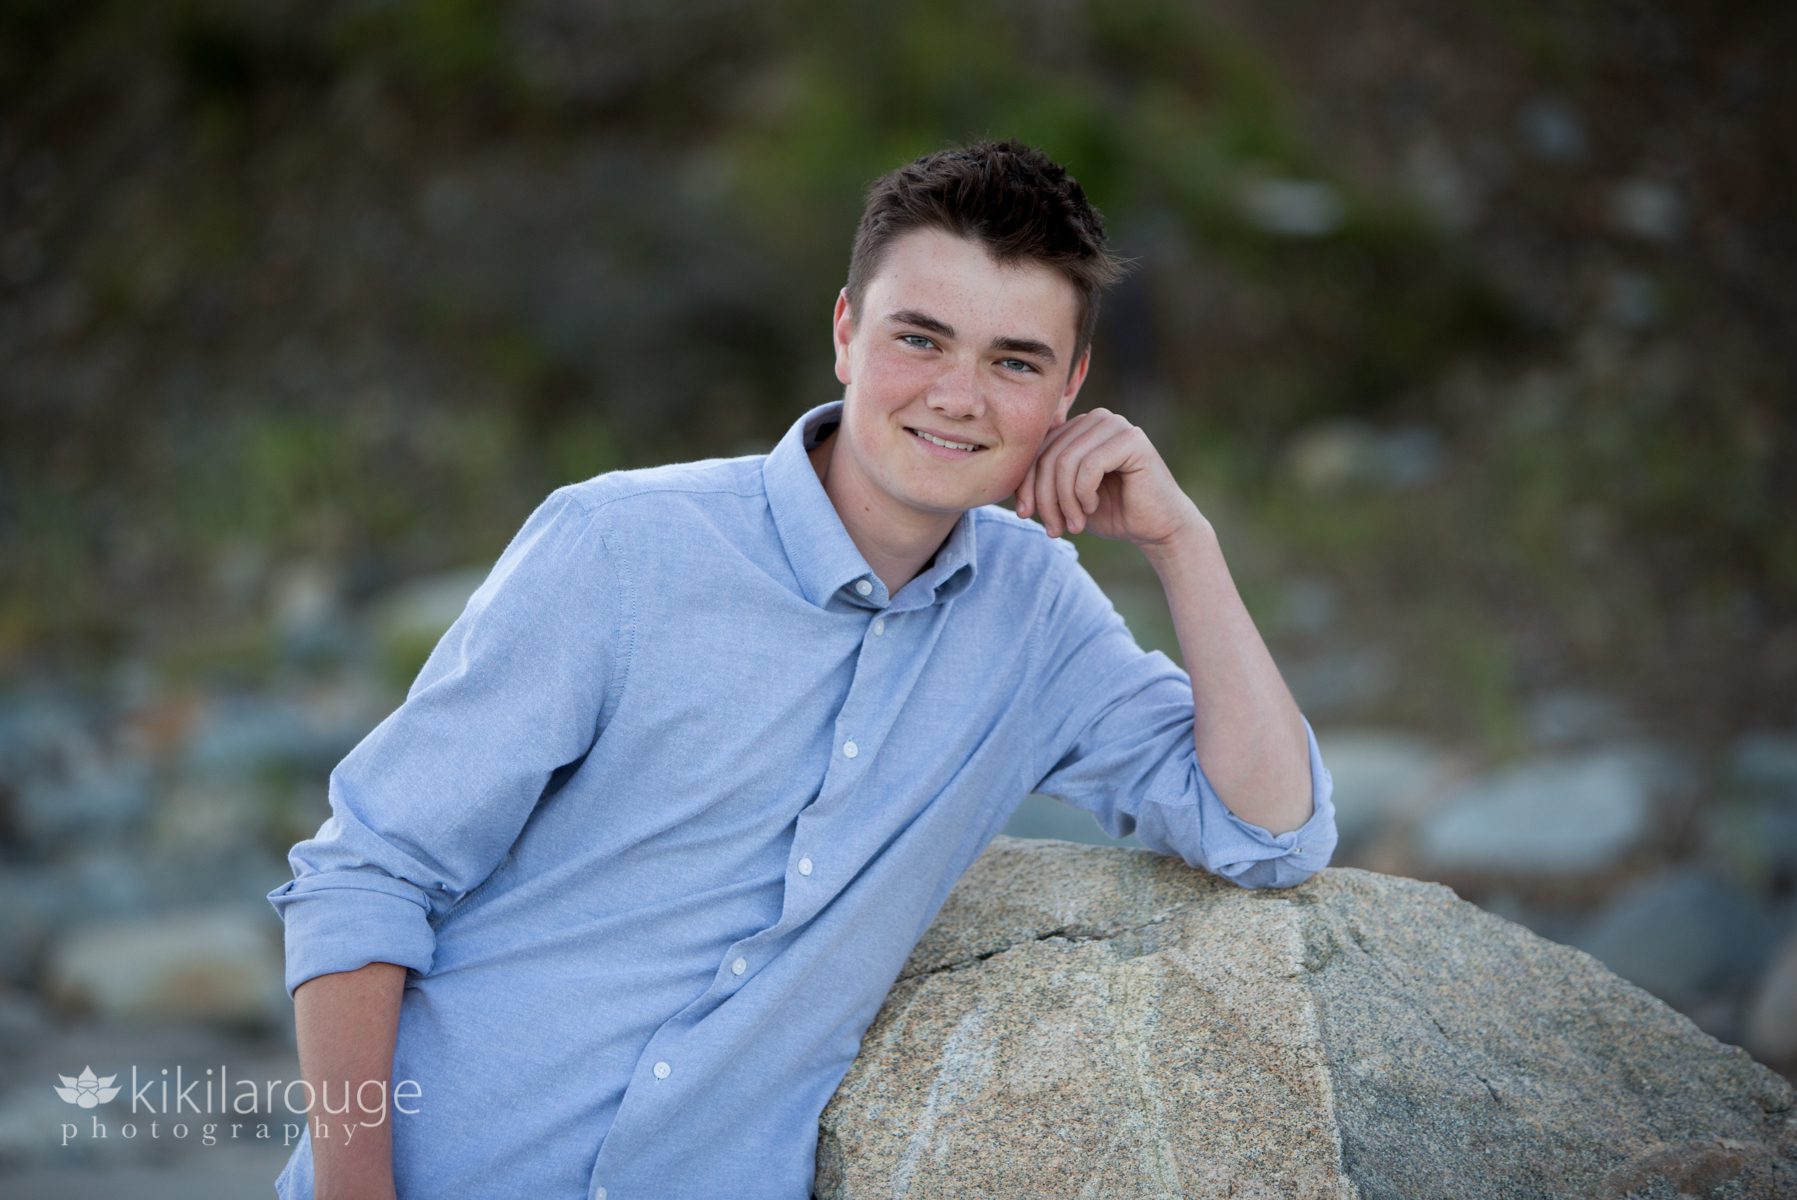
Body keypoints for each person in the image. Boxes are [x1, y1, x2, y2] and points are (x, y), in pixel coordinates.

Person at [267, 139, 1338, 1200]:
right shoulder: (622, 547)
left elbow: (1268, 829)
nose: (960, 398)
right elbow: (368, 872)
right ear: (844, 332)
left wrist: (1181, 544)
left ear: (1072, 388)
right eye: (921, 339)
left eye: (1014, 361)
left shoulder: (1038, 617)